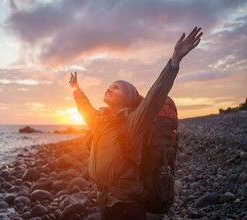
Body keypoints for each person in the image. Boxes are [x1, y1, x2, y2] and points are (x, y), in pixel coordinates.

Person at [69, 27, 203, 220]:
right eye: (110, 85)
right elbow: (84, 107)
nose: (110, 88)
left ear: (128, 97)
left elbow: (155, 96)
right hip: (104, 198)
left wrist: (174, 61)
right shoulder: (100, 121)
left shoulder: (133, 121)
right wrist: (75, 88)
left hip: (126, 203)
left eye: (117, 87)